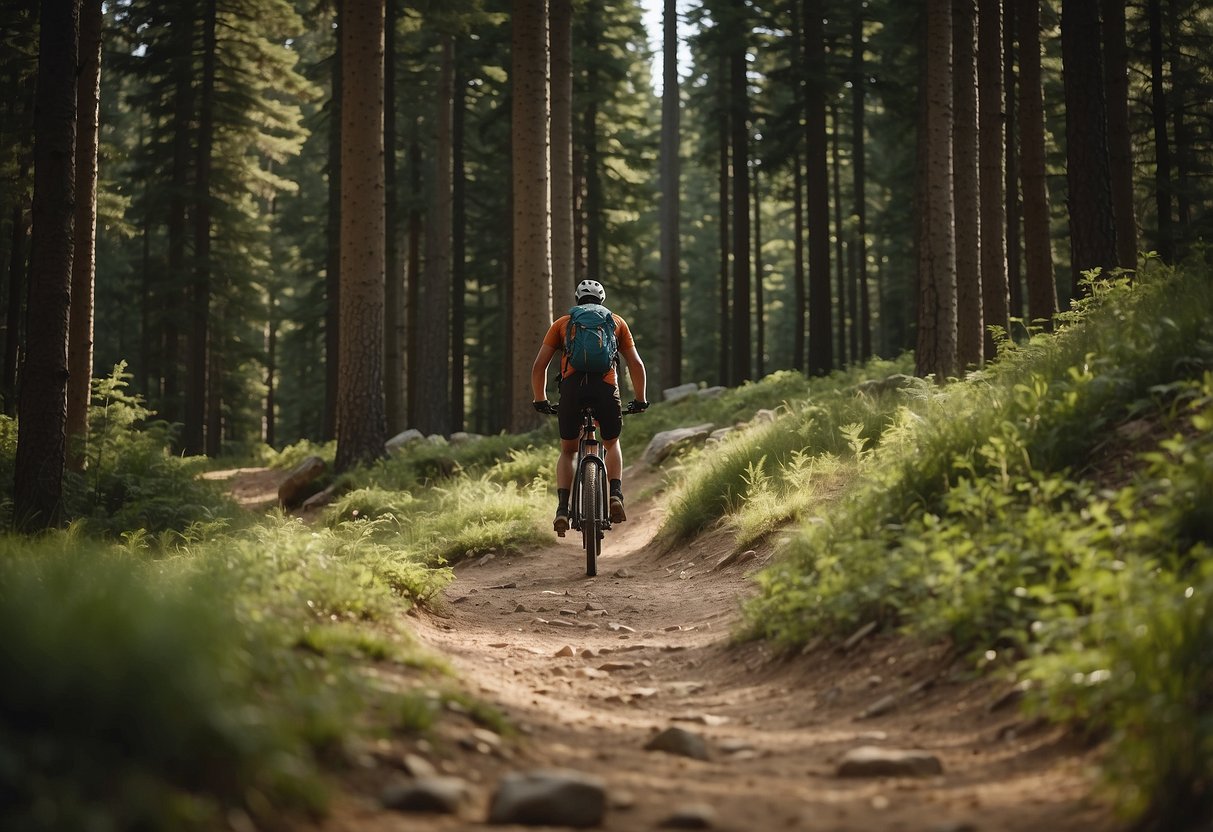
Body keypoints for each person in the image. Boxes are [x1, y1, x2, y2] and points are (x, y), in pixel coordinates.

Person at [531, 279, 648, 535]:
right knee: (611, 442)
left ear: (577, 299)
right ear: (602, 300)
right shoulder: (616, 322)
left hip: (573, 391)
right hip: (606, 389)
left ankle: (562, 509)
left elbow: (539, 366)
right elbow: (636, 365)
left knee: (569, 450)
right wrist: (640, 399)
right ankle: (615, 493)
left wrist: (540, 399)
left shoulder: (563, 324)